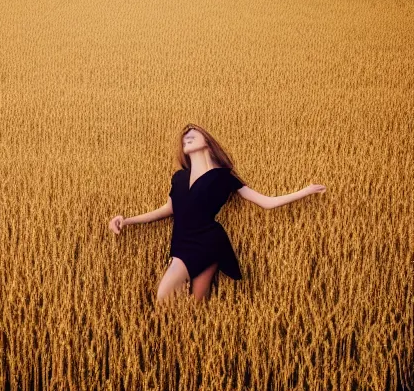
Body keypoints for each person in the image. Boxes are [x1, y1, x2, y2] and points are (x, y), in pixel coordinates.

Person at [108, 123, 327, 303]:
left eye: (193, 135)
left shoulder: (224, 177)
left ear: (207, 141)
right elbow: (168, 210)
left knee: (193, 303)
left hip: (210, 241)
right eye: (185, 139)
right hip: (182, 242)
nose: (187, 139)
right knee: (168, 299)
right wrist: (126, 221)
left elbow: (266, 202)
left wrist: (305, 191)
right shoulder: (179, 177)